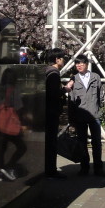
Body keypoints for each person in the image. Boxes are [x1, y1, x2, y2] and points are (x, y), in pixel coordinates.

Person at [68, 54, 105, 177]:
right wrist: (72, 118)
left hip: (94, 114)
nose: (79, 65)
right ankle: (84, 167)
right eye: (77, 63)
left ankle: (98, 168)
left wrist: (99, 109)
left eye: (81, 63)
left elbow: (101, 95)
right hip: (80, 115)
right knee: (82, 142)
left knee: (97, 142)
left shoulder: (95, 77)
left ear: (87, 64)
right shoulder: (74, 79)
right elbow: (71, 100)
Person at [0, 68, 26, 182]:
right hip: (10, 123)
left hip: (0, 122)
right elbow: (19, 106)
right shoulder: (14, 90)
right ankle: (8, 167)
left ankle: (0, 171)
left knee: (1, 149)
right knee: (22, 147)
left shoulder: (0, 89)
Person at [44, 48, 68, 179]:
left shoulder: (46, 71)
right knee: (51, 142)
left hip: (46, 112)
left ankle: (49, 169)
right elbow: (54, 93)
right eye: (63, 58)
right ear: (57, 59)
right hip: (51, 112)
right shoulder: (53, 74)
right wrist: (65, 89)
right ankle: (51, 171)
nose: (64, 60)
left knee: (49, 142)